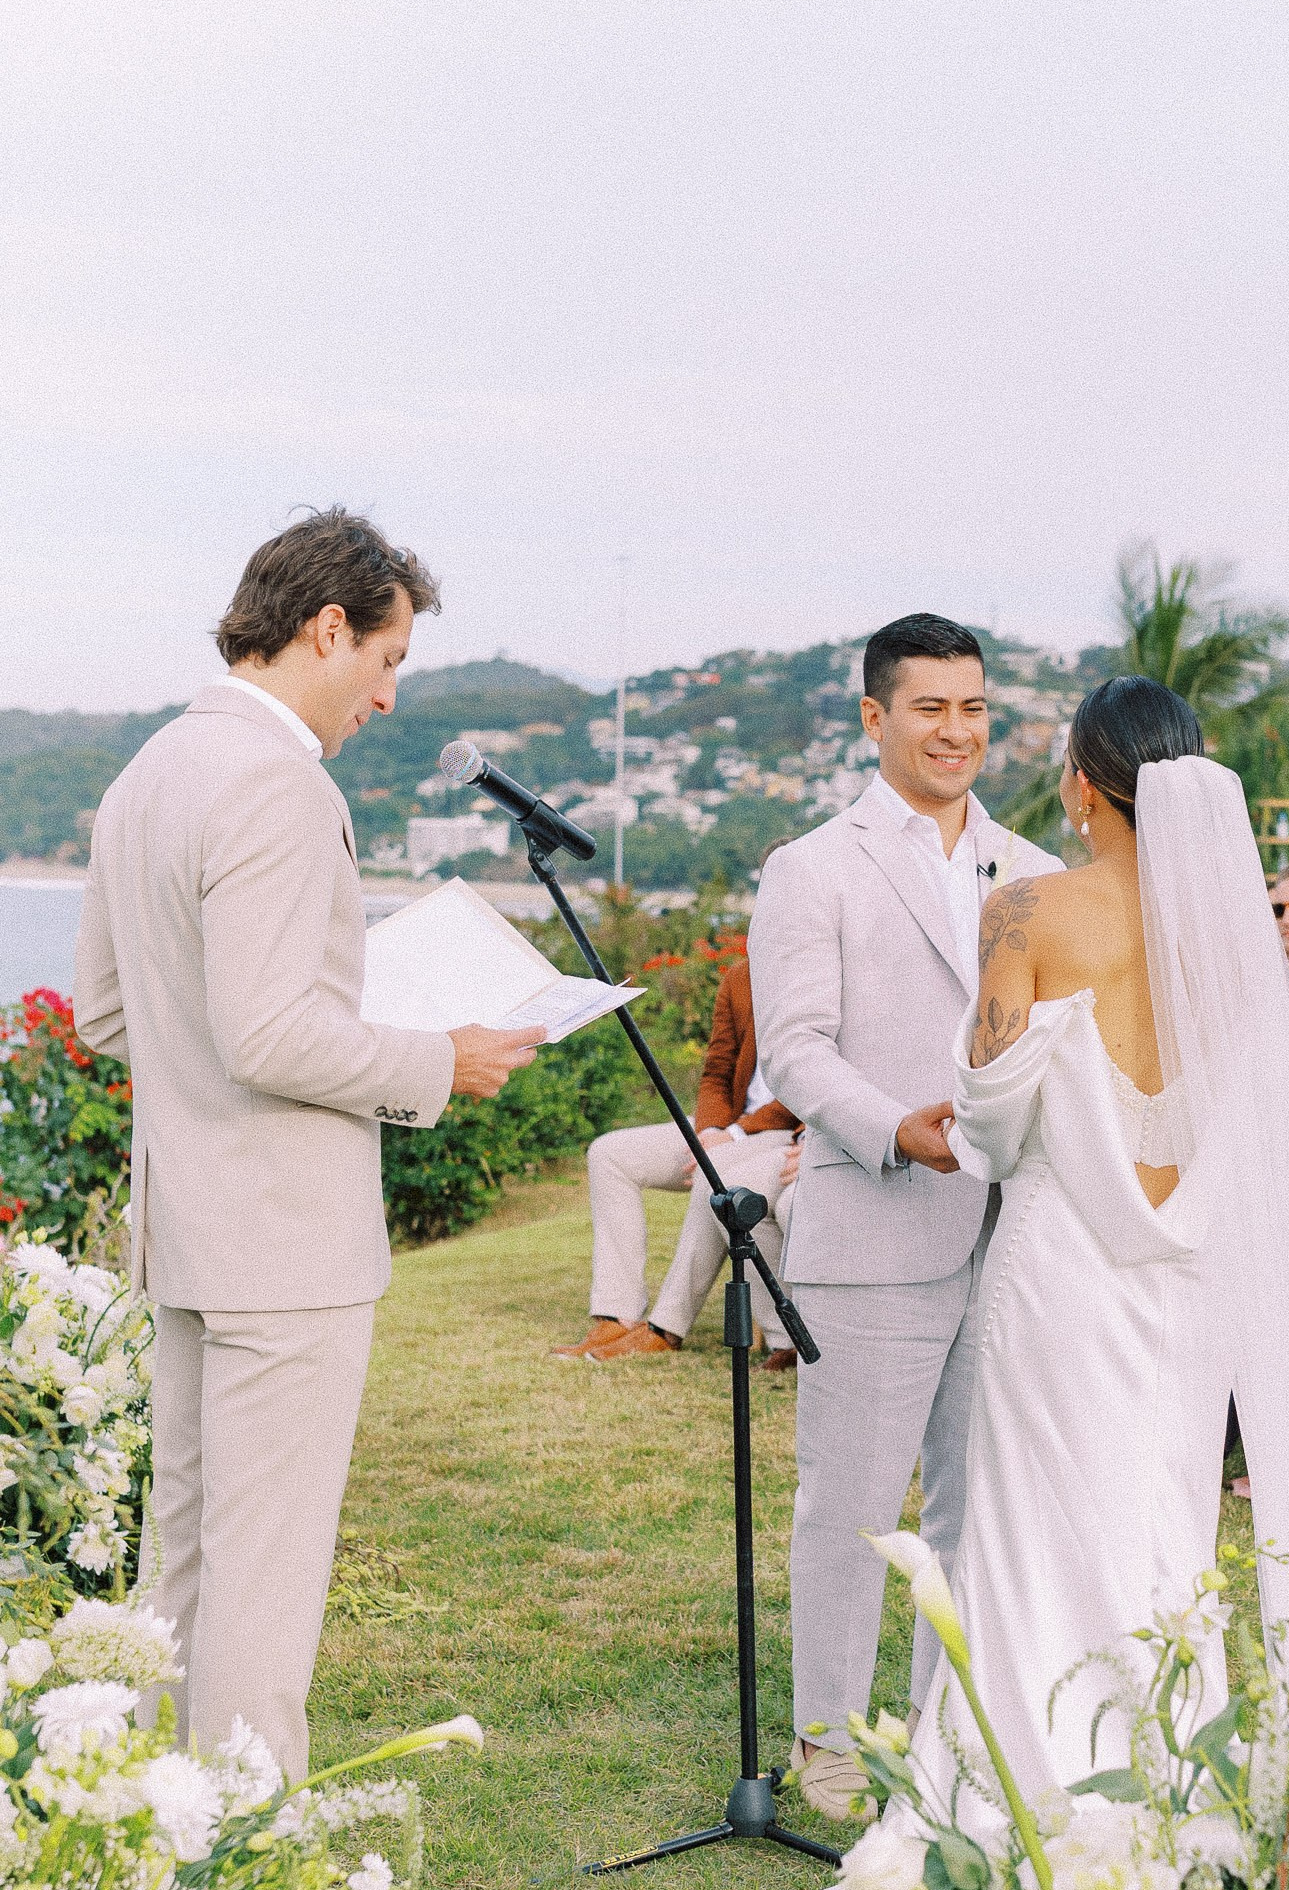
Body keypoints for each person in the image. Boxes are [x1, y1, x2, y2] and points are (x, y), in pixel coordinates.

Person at [72, 511, 541, 1781]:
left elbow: (115, 1014)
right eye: (386, 662)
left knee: (192, 1561)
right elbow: (273, 1035)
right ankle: (256, 1882)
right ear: (325, 627)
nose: (385, 699)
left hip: (184, 1235)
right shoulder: (280, 783)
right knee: (265, 1580)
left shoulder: (147, 774)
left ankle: (167, 1859)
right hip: (285, 1246)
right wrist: (439, 1059)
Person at [910, 681, 1289, 1802]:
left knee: (1030, 1521)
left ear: (1080, 784)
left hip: (1058, 1275)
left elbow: (990, 1122)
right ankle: (1164, 1776)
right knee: (1161, 1518)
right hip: (1189, 1285)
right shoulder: (1241, 945)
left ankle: (1020, 1780)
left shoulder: (1025, 912)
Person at [750, 614, 1062, 1819]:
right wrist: (896, 1129)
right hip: (875, 1221)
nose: (957, 730)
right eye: (929, 707)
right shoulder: (813, 865)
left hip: (1016, 1233)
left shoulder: (1033, 870)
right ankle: (827, 1740)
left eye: (974, 706)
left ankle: (944, 1733)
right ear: (875, 717)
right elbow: (795, 1050)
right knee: (851, 1503)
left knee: (980, 1499)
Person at [555, 953, 802, 1371]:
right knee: (609, 1154)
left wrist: (733, 1135)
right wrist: (708, 1131)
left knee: (716, 1171)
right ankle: (615, 1315)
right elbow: (716, 1071)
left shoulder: (824, 974)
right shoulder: (741, 976)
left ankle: (666, 1328)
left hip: (782, 1128)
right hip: (728, 1124)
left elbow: (810, 1085)